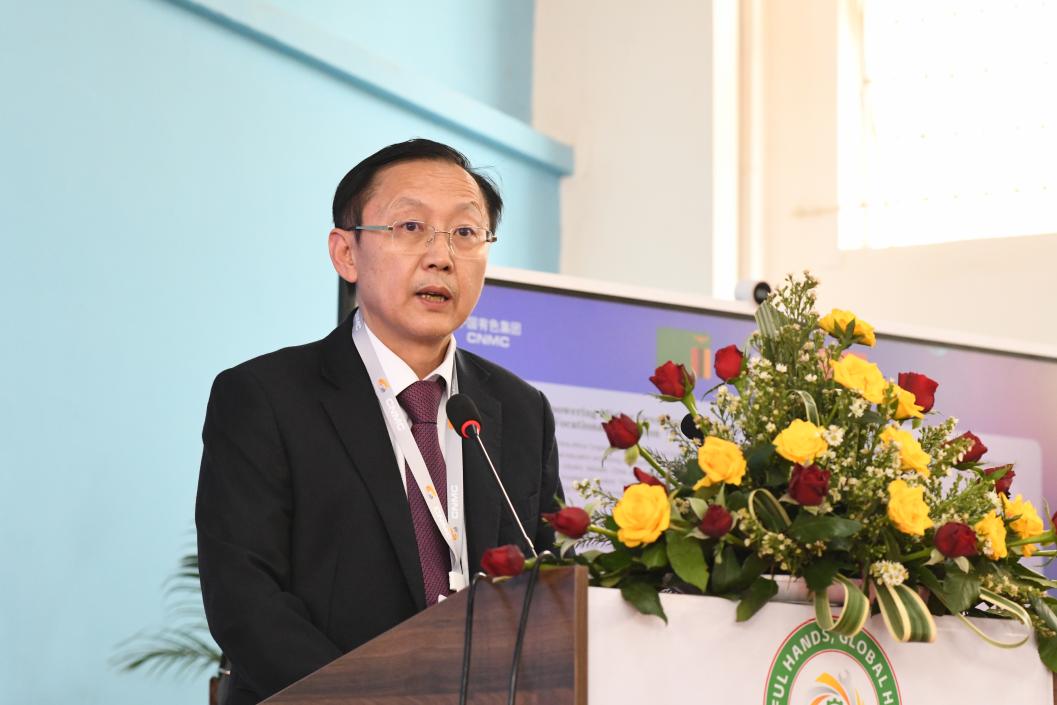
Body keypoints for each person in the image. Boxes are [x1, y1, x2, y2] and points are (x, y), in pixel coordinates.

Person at [195, 139, 562, 705]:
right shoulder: (265, 397)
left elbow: (546, 587)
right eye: (411, 226)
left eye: (466, 232)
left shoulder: (519, 410)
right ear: (346, 253)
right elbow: (245, 601)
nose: (442, 256)